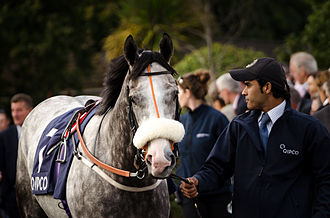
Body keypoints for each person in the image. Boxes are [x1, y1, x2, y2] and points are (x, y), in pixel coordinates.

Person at [180, 57, 330, 218]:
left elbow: (326, 180)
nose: (243, 91)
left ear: (267, 87)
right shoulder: (238, 126)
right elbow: (217, 167)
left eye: (248, 85)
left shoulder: (309, 129)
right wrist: (198, 181)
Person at [176, 69, 232, 218]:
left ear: (188, 92)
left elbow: (228, 157)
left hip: (217, 196)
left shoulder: (217, 119)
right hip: (189, 197)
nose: (177, 96)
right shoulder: (182, 121)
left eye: (179, 92)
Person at [0, 93, 33, 218]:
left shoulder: (41, 134)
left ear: (30, 111)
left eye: (19, 110)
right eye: (13, 110)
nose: (15, 114)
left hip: (37, 195)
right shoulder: (4, 137)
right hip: (11, 199)